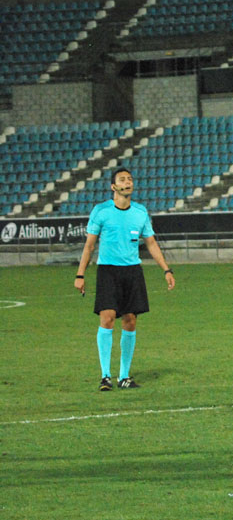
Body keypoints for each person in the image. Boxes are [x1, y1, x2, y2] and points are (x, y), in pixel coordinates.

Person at [74, 167, 175, 391]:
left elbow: (151, 243)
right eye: (122, 179)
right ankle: (105, 376)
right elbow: (89, 245)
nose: (127, 182)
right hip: (108, 271)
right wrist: (80, 275)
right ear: (113, 187)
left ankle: (124, 376)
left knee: (130, 320)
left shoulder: (140, 212)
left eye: (130, 178)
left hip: (132, 271)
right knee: (108, 318)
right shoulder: (101, 211)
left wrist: (166, 270)